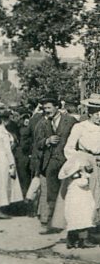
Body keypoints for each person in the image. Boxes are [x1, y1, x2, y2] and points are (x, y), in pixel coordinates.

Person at [34, 97, 77, 234]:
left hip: (67, 162)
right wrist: (47, 140)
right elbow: (37, 143)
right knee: (51, 194)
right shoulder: (42, 123)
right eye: (44, 108)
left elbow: (78, 139)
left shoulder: (70, 121)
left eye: (49, 108)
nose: (46, 111)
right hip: (50, 163)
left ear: (57, 107)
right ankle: (52, 224)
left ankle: (70, 224)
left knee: (69, 193)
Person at [62, 93, 100, 242]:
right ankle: (81, 234)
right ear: (89, 112)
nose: (98, 116)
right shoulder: (80, 127)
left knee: (98, 199)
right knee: (84, 199)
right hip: (85, 167)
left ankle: (95, 230)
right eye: (96, 113)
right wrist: (82, 161)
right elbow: (69, 148)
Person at [57, 153, 97, 249]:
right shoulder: (79, 179)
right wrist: (85, 174)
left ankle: (71, 241)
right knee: (83, 218)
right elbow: (84, 182)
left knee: (74, 221)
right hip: (80, 201)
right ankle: (83, 240)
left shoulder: (71, 182)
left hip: (75, 201)